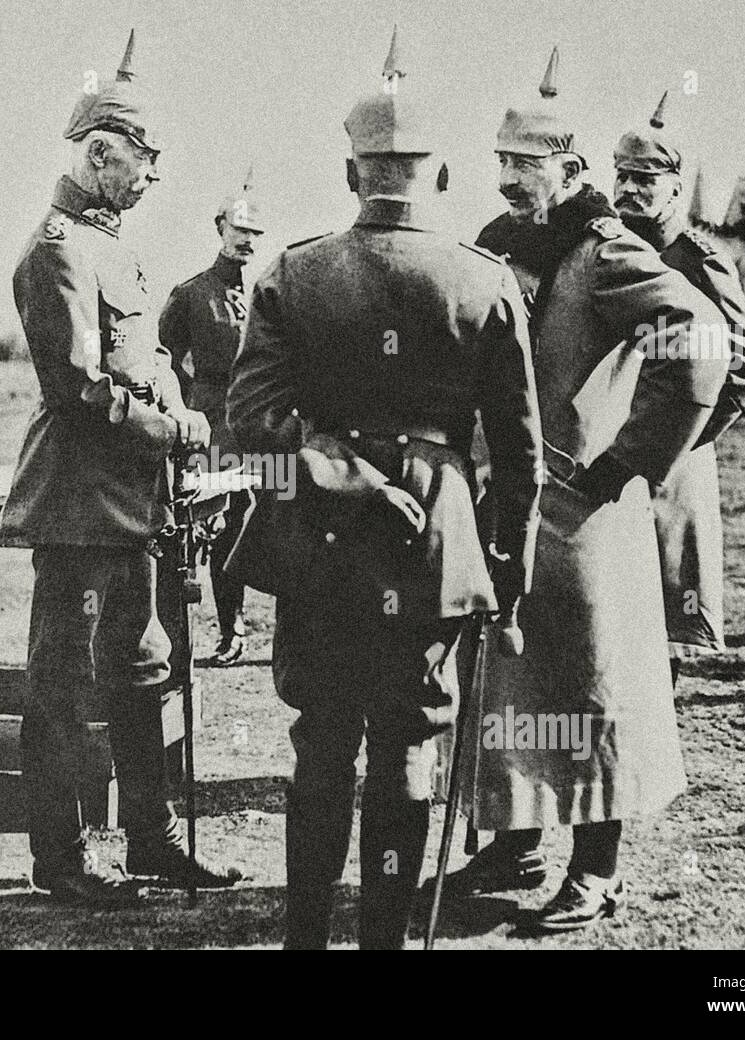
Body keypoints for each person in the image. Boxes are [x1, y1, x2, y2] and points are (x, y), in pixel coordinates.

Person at [226, 28, 542, 949]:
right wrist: (506, 568)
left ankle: (303, 938)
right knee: (409, 744)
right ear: (440, 176)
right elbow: (519, 455)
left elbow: (254, 418)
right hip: (436, 543)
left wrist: (345, 473)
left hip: (319, 540)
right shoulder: (484, 283)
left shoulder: (293, 271)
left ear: (351, 171)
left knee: (323, 738)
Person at [440, 47, 732, 931]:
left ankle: (596, 871)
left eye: (522, 166)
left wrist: (630, 459)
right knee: (505, 684)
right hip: (504, 502)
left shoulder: (607, 253)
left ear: (568, 170)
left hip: (586, 513)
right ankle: (510, 843)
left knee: (592, 687)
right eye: (498, 162)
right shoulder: (496, 245)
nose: (504, 179)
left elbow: (703, 343)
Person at [0, 30, 241, 907]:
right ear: (100, 156)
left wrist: (177, 427)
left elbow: (141, 362)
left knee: (142, 672)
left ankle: (152, 844)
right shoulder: (60, 249)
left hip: (131, 504)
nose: (152, 176)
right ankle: (60, 863)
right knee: (61, 685)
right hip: (76, 507)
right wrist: (172, 429)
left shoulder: (113, 241)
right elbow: (76, 389)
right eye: (143, 159)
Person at [612, 92, 745, 686]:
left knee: (661, 618)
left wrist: (682, 435)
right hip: (612, 453)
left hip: (669, 466)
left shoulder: (695, 258)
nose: (629, 189)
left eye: (645, 179)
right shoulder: (613, 251)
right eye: (622, 176)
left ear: (675, 187)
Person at [158, 172, 265, 664]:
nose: (247, 238)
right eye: (239, 228)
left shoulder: (268, 294)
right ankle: (231, 628)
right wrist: (184, 413)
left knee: (275, 518)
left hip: (264, 428)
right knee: (221, 524)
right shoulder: (192, 295)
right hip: (215, 427)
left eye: (254, 232)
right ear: (220, 227)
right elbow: (162, 359)